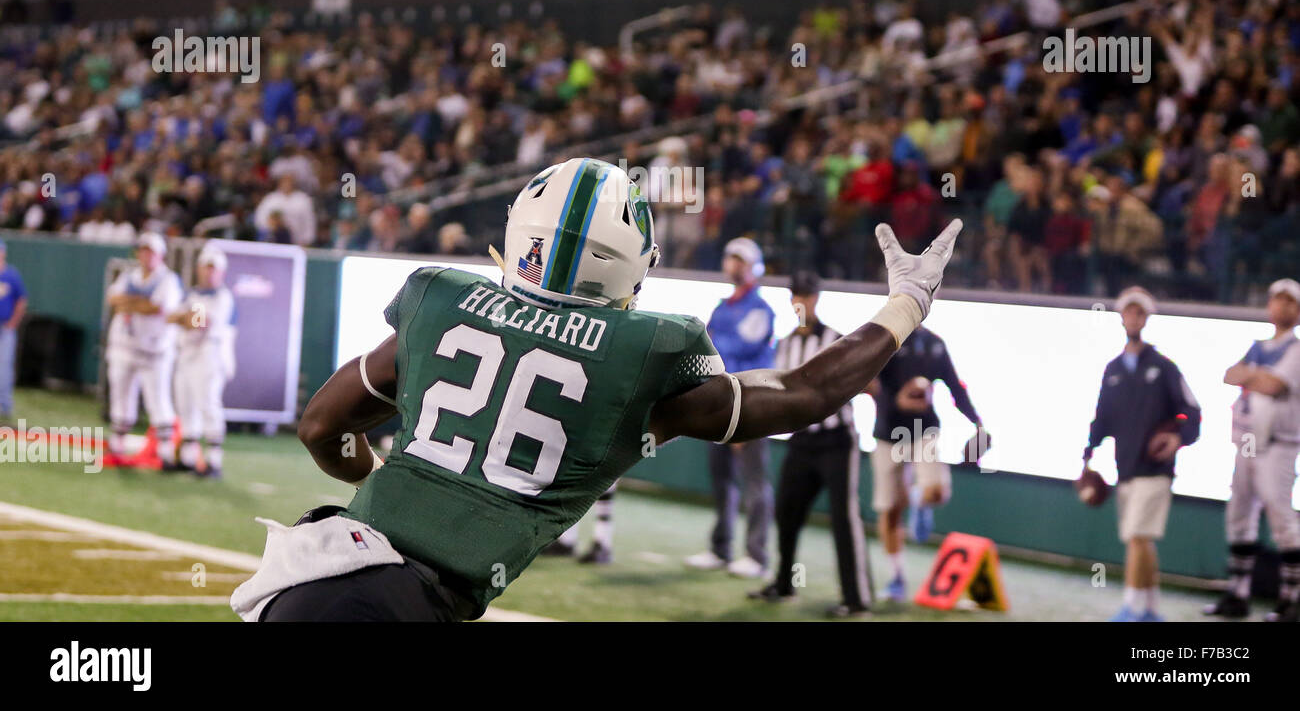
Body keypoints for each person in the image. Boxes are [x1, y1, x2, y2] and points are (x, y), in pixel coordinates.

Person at [231, 158, 963, 621]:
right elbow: (804, 394)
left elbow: (321, 427)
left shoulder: (441, 299)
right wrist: (905, 305)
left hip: (314, 578)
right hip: (402, 607)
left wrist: (380, 474)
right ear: (631, 269)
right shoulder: (645, 354)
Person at [749, 271, 874, 618]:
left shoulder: (837, 341)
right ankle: (784, 583)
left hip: (836, 441)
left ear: (816, 299)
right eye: (796, 295)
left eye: (807, 295)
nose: (801, 301)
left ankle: (856, 598)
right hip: (802, 441)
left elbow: (866, 383)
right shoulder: (786, 344)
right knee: (786, 511)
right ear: (791, 300)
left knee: (843, 518)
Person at [1082, 286, 1202, 622]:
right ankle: (1149, 608)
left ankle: (1132, 608)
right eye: (1128, 311)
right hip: (1127, 469)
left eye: (1139, 312)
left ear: (1146, 318)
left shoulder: (1164, 368)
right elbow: (1102, 417)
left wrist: (1177, 438)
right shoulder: (1114, 370)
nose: (1133, 317)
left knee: (1136, 537)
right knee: (1142, 540)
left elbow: (1191, 413)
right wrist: (1087, 456)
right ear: (1122, 317)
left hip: (1156, 471)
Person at [870, 320, 987, 602]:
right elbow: (869, 384)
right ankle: (897, 577)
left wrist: (977, 424)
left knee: (937, 492)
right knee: (889, 510)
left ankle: (918, 497)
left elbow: (954, 387)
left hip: (923, 430)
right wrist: (896, 402)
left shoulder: (935, 344)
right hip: (888, 433)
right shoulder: (885, 340)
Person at [1205, 278, 1300, 622]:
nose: (1282, 307)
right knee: (1240, 516)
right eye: (1278, 300)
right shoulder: (1258, 345)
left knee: (1281, 517)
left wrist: (1252, 375)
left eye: (1290, 302)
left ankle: (1290, 601)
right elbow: (1230, 375)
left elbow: (1274, 386)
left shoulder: (1296, 349)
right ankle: (1238, 594)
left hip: (1279, 444)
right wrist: (1252, 375)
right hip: (1245, 441)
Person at [685, 237, 776, 579]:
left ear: (754, 267)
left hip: (751, 405)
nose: (733, 264)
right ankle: (720, 548)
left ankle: (756, 554)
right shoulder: (723, 307)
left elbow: (735, 350)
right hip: (719, 404)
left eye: (740, 259)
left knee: (755, 481)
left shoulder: (761, 310)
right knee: (722, 479)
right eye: (730, 257)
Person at [104, 232, 184, 462]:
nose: (146, 255)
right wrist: (139, 303)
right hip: (124, 344)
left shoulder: (168, 279)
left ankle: (166, 450)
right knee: (120, 393)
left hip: (155, 349)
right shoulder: (130, 275)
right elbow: (114, 300)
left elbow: (156, 308)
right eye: (143, 250)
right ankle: (117, 443)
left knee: (157, 398)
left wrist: (130, 302)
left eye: (151, 251)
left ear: (161, 255)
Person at [168, 246, 238, 478]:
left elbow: (200, 321)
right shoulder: (193, 294)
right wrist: (185, 317)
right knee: (185, 404)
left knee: (208, 404)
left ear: (221, 272)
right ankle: (187, 458)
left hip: (211, 356)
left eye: (213, 269)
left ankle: (213, 461)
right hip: (188, 354)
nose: (208, 273)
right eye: (205, 268)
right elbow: (171, 316)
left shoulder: (223, 297)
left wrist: (185, 318)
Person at [0, 240, 27, 423]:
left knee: (4, 367)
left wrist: (13, 322)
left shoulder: (12, 275)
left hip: (5, 328)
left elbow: (22, 300)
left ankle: (4, 405)